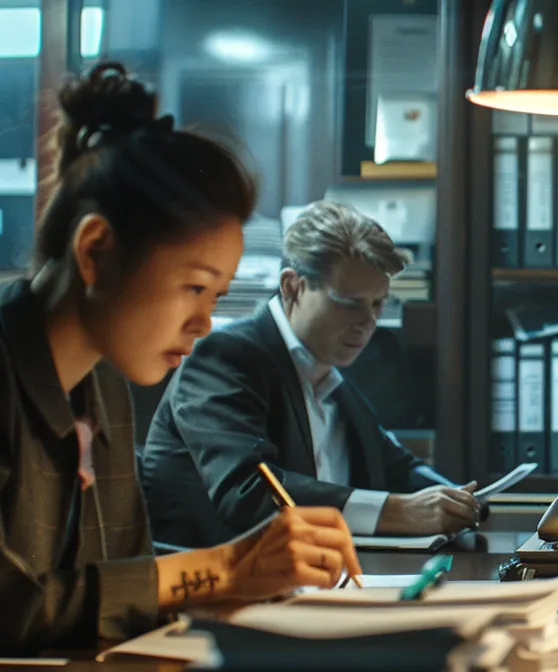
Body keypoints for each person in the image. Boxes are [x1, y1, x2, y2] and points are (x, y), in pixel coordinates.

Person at [0, 62, 362, 653]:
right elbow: (15, 608)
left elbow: (120, 581)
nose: (203, 322)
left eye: (217, 297)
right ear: (95, 249)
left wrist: (252, 578)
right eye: (193, 287)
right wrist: (223, 569)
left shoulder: (101, 387)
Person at [141, 201, 477, 547]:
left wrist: (461, 500)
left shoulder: (332, 377)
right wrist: (396, 512)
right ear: (292, 287)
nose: (368, 322)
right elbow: (249, 491)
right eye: (350, 302)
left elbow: (397, 468)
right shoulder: (225, 358)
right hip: (223, 592)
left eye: (378, 304)